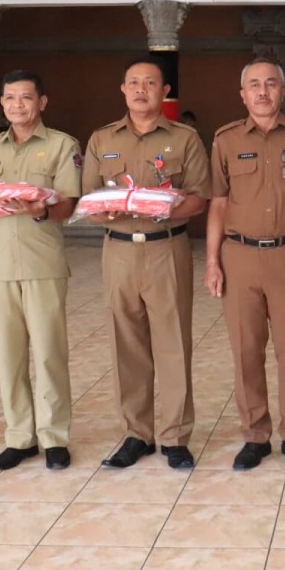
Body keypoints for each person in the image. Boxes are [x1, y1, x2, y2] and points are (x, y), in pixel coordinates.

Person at [82, 60, 210, 469]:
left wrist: (162, 210)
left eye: (150, 83)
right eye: (134, 83)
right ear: (122, 89)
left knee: (173, 343)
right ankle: (137, 433)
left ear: (164, 90)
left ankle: (175, 436)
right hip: (118, 250)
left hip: (165, 249)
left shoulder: (184, 139)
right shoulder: (102, 139)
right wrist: (107, 212)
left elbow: (199, 197)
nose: (141, 90)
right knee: (127, 344)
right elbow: (88, 199)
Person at [206, 59, 285, 472]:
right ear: (242, 95)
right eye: (254, 85)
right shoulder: (224, 140)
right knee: (246, 350)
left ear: (282, 91)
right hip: (238, 256)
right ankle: (255, 435)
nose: (262, 92)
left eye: (271, 84)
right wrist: (212, 261)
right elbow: (218, 203)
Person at [0, 71, 82, 471]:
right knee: (7, 355)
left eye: (26, 98)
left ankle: (54, 436)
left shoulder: (63, 145)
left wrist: (43, 209)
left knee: (48, 353)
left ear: (42, 102)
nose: (17, 105)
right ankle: (19, 436)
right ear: (1, 102)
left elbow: (69, 205)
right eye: (10, 98)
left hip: (43, 262)